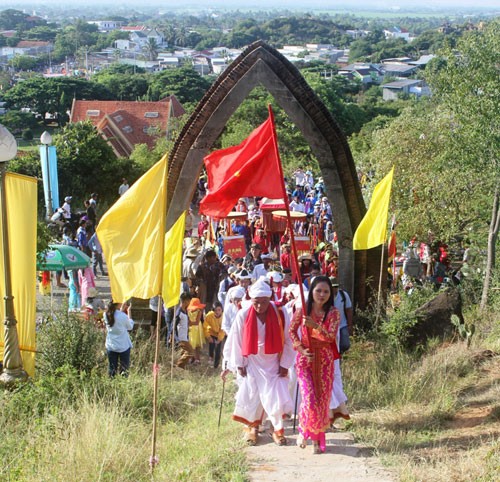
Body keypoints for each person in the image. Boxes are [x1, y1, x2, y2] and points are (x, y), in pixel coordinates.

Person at [221, 278, 295, 446]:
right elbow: (236, 340)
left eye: (264, 302)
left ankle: (275, 429)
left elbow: (289, 340)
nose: (260, 306)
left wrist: (285, 364)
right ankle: (253, 428)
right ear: (250, 300)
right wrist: (239, 363)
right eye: (256, 302)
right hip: (252, 361)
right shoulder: (244, 314)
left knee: (275, 396)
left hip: (274, 361)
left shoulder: (280, 313)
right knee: (252, 395)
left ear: (270, 299)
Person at [289, 275, 340, 454]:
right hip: (306, 360)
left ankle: (317, 440)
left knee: (321, 402)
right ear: (312, 292)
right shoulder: (303, 309)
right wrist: (300, 348)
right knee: (309, 399)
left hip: (325, 361)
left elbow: (330, 337)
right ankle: (304, 430)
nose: (322, 294)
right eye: (318, 290)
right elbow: (291, 331)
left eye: (326, 291)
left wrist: (315, 326)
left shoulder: (333, 313)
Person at [104, 300, 134, 377]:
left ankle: (111, 385)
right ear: (119, 303)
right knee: (124, 369)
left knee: (112, 369)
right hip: (123, 346)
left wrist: (120, 310)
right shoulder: (122, 316)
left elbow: (115, 319)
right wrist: (129, 311)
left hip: (111, 345)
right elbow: (130, 327)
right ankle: (123, 385)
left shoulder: (106, 314)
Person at [175, 292, 195, 368]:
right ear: (186, 301)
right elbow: (173, 325)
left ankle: (180, 367)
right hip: (181, 337)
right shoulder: (179, 312)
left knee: (184, 353)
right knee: (190, 352)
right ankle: (178, 367)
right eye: (189, 301)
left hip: (185, 337)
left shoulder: (185, 311)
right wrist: (174, 337)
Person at [204, 301, 225, 368]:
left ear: (222, 310)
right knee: (211, 345)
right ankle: (211, 357)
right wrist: (208, 337)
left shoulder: (224, 318)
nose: (217, 312)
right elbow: (205, 327)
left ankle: (216, 365)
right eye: (215, 310)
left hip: (219, 333)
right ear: (213, 310)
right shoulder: (209, 316)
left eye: (219, 310)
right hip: (211, 332)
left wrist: (219, 339)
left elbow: (223, 329)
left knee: (218, 349)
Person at [187, 297, 206, 364]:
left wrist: (189, 323)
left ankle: (197, 359)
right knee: (192, 344)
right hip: (191, 330)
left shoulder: (199, 312)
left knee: (196, 345)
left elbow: (197, 322)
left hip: (197, 329)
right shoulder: (188, 311)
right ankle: (193, 358)